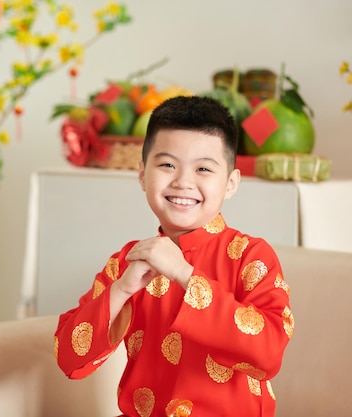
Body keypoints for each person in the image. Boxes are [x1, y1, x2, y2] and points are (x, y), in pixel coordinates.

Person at [54, 95, 294, 417]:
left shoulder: (252, 256)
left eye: (204, 169)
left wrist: (185, 275)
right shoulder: (129, 261)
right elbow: (70, 357)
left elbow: (268, 354)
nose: (183, 182)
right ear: (142, 174)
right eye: (167, 165)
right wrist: (122, 289)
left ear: (230, 183)